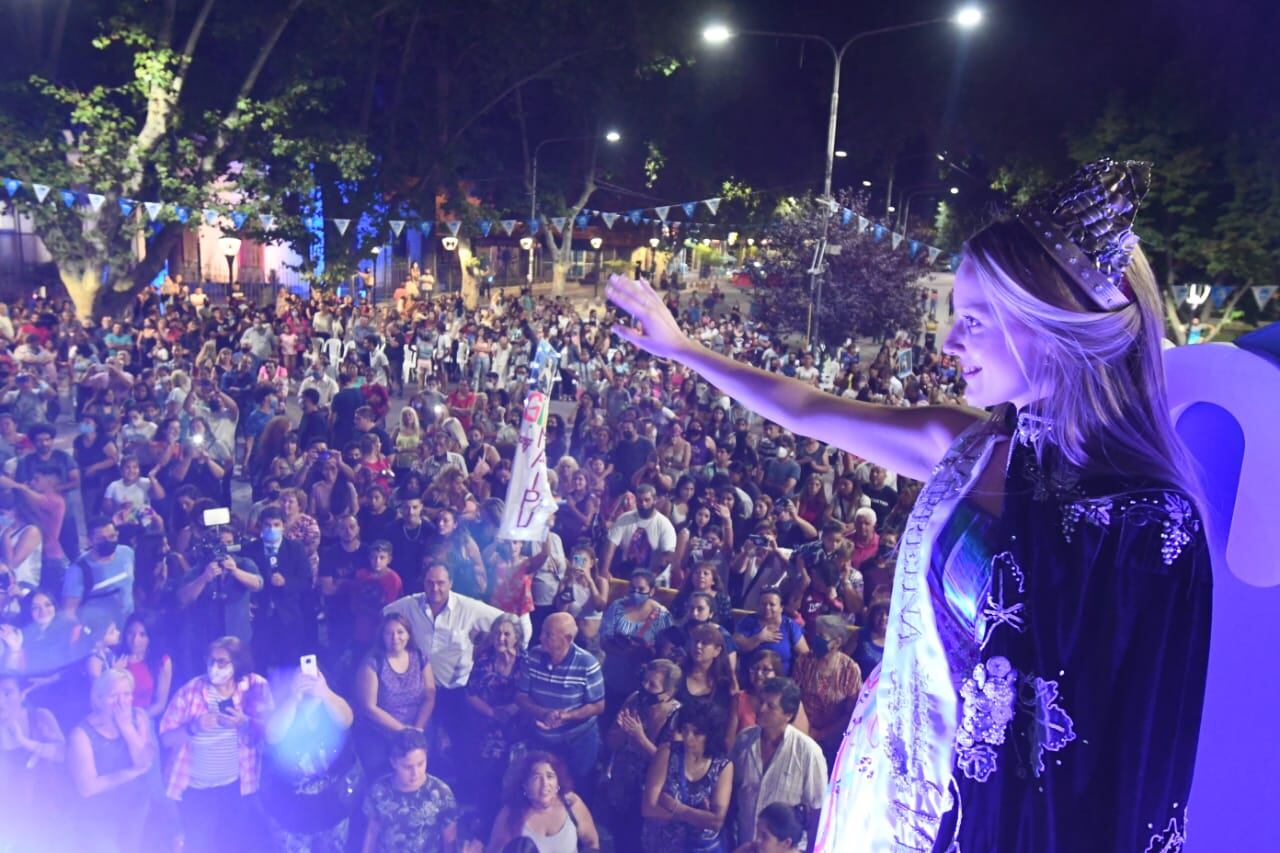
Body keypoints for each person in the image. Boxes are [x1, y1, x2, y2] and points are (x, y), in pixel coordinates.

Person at [606, 158, 1212, 851]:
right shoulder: (964, 447)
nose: (950, 340)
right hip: (881, 806)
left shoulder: (1148, 527)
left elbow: (1129, 764)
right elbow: (806, 409)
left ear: (1052, 329)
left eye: (975, 320)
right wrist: (685, 349)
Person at [158, 636, 273, 853]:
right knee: (199, 845)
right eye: (210, 661)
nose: (214, 667)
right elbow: (165, 739)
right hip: (196, 791)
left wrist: (245, 723)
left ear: (237, 663)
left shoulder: (255, 686)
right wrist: (193, 727)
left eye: (222, 662)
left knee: (234, 844)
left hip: (236, 788)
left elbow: (273, 732)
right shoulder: (190, 691)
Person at [261, 664, 362, 851]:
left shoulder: (331, 703)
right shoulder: (285, 708)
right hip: (292, 811)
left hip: (332, 806)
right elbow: (272, 735)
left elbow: (347, 719)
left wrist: (324, 691)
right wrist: (294, 698)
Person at [67, 669, 158, 853]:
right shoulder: (81, 734)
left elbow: (144, 761)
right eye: (113, 695)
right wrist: (131, 772)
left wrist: (126, 727)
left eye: (126, 694)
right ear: (98, 699)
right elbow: (87, 788)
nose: (121, 702)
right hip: (99, 815)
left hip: (135, 805)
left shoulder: (138, 717)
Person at [729, 678, 827, 847]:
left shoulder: (808, 753)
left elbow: (817, 808)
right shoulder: (744, 740)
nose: (761, 709)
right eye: (761, 702)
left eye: (771, 706)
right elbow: (733, 790)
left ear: (788, 715)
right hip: (746, 843)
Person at [515, 612, 606, 790]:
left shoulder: (587, 663)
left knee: (578, 787)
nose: (541, 637)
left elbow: (598, 706)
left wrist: (566, 716)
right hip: (541, 739)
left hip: (578, 741)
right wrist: (543, 713)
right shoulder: (532, 656)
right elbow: (520, 696)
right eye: (542, 632)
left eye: (548, 635)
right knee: (541, 788)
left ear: (568, 638)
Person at [605, 658, 682, 853]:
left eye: (653, 685)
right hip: (622, 787)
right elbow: (610, 741)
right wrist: (623, 733)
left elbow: (670, 766)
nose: (645, 688)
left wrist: (640, 737)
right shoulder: (634, 700)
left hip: (649, 796)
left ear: (669, 692)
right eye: (645, 681)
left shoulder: (677, 716)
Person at [641, 701, 734, 853]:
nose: (688, 738)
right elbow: (648, 808)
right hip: (661, 845)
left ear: (711, 734)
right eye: (685, 729)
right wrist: (698, 816)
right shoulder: (668, 752)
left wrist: (676, 808)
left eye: (696, 733)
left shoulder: (723, 766)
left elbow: (716, 822)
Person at [353, 612, 436, 775]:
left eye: (400, 632)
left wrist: (417, 729)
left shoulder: (420, 657)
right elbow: (369, 707)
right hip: (382, 733)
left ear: (408, 634)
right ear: (381, 636)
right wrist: (402, 730)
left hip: (418, 727)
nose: (395, 637)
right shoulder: (373, 662)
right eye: (389, 633)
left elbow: (430, 695)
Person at [361, 727, 457, 853]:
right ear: (394, 763)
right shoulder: (379, 790)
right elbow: (372, 833)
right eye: (407, 767)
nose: (415, 773)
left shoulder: (441, 793)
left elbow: (450, 841)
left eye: (420, 764)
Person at [0, 672, 67, 850]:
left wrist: (25, 742)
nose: (1, 701)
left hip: (43, 812)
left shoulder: (39, 718)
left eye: (7, 693)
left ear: (22, 693)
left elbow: (64, 755)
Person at [487, 750, 600, 853]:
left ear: (558, 782)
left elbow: (592, 842)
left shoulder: (571, 803)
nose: (545, 784)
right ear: (525, 785)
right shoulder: (511, 813)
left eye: (550, 776)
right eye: (536, 777)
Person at [791, 615, 861, 765]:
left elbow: (851, 713)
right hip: (803, 731)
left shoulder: (850, 669)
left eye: (821, 636)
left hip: (834, 736)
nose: (816, 639)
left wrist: (823, 734)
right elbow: (794, 698)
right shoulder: (804, 662)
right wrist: (806, 731)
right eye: (815, 634)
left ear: (837, 642)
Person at [598, 483, 676, 581]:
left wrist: (650, 578)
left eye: (647, 500)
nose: (643, 504)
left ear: (654, 500)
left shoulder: (665, 524)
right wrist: (605, 569)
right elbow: (611, 544)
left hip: (655, 575)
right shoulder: (624, 518)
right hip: (627, 570)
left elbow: (667, 557)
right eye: (640, 500)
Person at [733, 589, 808, 677]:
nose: (767, 608)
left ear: (781, 608)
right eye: (763, 604)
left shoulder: (789, 625)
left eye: (772, 604)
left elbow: (805, 656)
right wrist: (759, 638)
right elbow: (737, 646)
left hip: (781, 682)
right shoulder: (747, 622)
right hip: (751, 678)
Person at [732, 803, 809, 853]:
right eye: (758, 833)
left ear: (786, 843)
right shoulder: (749, 849)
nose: (757, 840)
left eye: (764, 836)